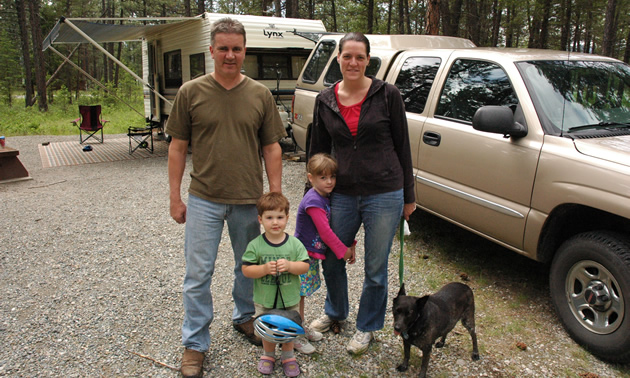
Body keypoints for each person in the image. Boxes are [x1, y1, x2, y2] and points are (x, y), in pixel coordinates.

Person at [166, 17, 286, 378]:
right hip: (203, 197)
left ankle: (244, 317)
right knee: (197, 274)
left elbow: (272, 147)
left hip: (248, 199)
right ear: (212, 51)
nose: (230, 55)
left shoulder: (260, 94)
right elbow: (177, 147)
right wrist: (175, 198)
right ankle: (195, 344)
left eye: (236, 49)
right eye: (223, 48)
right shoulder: (191, 92)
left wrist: (275, 196)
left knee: (246, 267)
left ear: (244, 51)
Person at [307, 32, 416, 355]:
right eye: (347, 56)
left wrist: (408, 196)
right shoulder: (325, 100)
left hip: (384, 192)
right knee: (330, 255)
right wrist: (310, 195)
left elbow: (403, 146)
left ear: (368, 60)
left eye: (359, 57)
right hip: (341, 193)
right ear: (338, 58)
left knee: (375, 268)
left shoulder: (387, 95)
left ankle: (367, 326)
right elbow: (318, 151)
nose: (353, 62)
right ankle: (335, 311)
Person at [293, 153, 356, 354]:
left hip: (311, 255)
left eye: (332, 177)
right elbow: (325, 232)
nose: (329, 182)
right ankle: (295, 335)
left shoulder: (326, 196)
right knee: (297, 295)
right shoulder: (313, 200)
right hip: (301, 255)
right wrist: (343, 252)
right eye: (323, 177)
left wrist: (352, 242)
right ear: (311, 178)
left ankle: (299, 327)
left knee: (302, 293)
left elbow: (335, 224)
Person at [242, 192, 309, 377]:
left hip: (290, 299)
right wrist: (263, 269)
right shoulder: (256, 245)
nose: (275, 222)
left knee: (288, 328)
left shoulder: (294, 244)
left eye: (280, 217)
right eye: (269, 217)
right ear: (260, 219)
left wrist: (289, 266)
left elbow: (304, 266)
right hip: (265, 300)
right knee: (267, 330)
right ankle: (268, 355)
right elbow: (246, 270)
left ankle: (288, 356)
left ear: (287, 218)